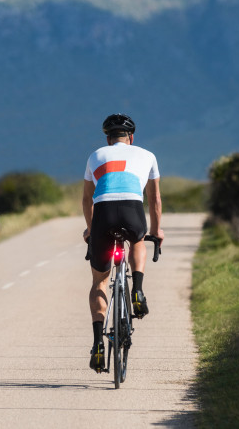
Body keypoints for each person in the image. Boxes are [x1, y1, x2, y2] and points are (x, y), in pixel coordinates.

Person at [83, 113, 164, 372]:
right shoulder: (147, 155)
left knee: (99, 282)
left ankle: (97, 344)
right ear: (132, 137)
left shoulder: (95, 156)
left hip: (103, 213)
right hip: (132, 209)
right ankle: (137, 290)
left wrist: (89, 229)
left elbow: (87, 199)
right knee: (138, 239)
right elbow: (155, 199)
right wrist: (157, 230)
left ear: (108, 139)